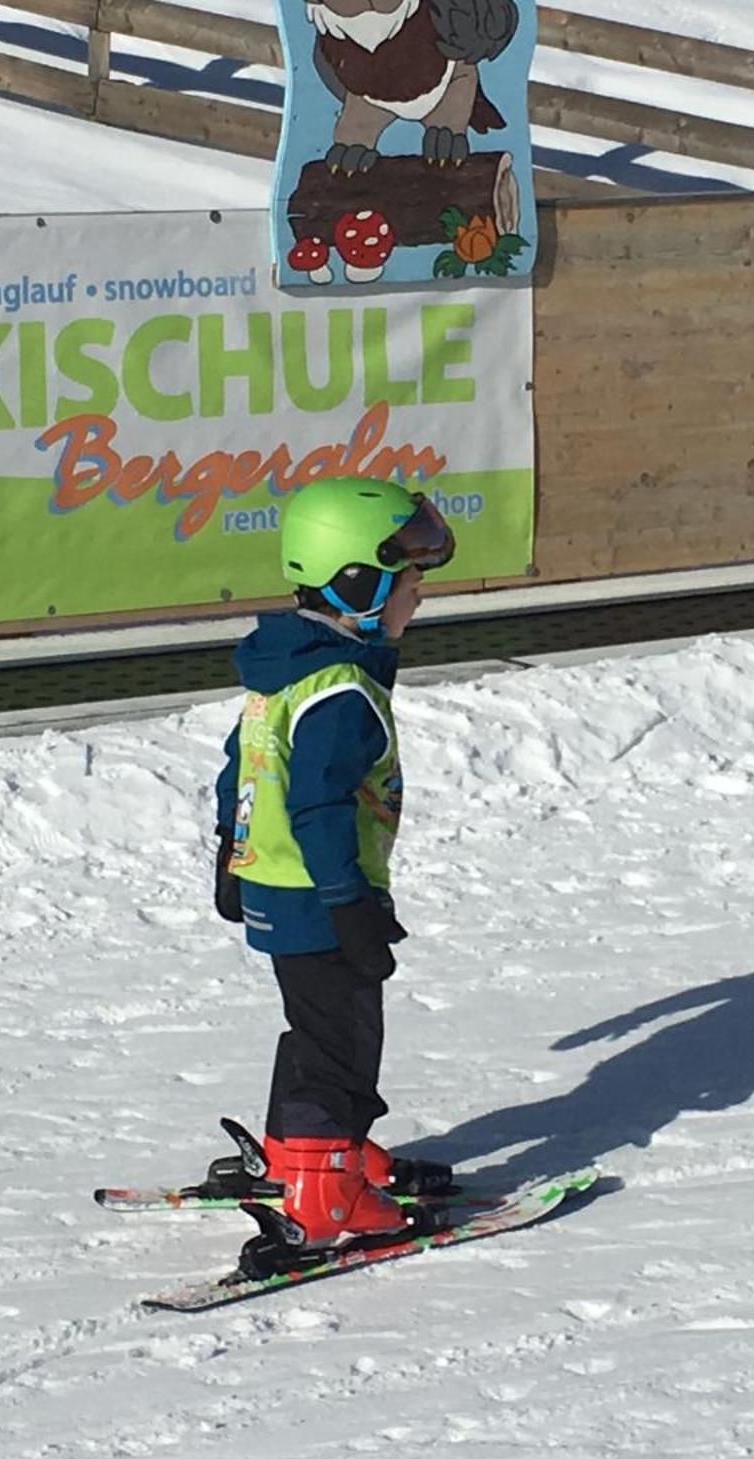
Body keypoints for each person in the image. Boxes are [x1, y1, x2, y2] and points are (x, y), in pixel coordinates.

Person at [209, 476, 457, 1250]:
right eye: (410, 580)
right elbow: (317, 804)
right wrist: (350, 903)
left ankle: (307, 1149)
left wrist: (231, 850)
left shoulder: (287, 670)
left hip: (276, 884)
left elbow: (242, 762)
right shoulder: (340, 690)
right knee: (344, 1036)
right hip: (318, 895)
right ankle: (325, 1191)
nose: (419, 594)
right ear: (359, 583)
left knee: (315, 1026)